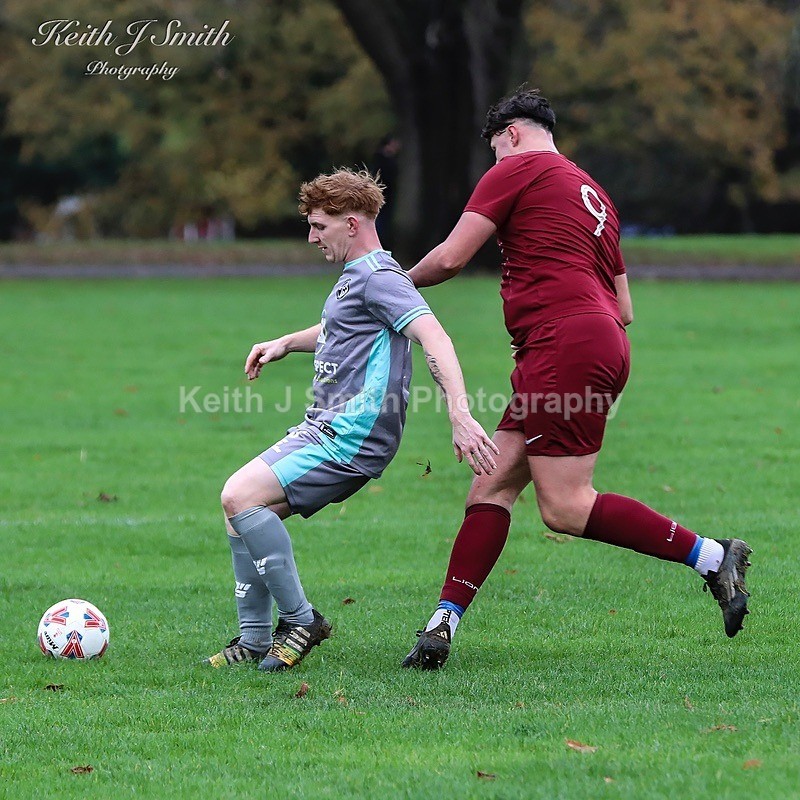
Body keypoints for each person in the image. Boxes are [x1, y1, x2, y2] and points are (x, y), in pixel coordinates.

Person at [401, 89, 752, 670]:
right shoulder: (595, 195)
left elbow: (451, 258)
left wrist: (392, 288)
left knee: (564, 506)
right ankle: (442, 627)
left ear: (511, 134)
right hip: (597, 341)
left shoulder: (516, 168)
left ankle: (712, 557)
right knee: (490, 486)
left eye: (494, 150)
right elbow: (626, 307)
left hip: (562, 346)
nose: (494, 162)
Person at [203, 168, 498, 671]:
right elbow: (340, 329)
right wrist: (285, 343)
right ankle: (253, 640)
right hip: (327, 426)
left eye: (320, 226)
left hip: (349, 435)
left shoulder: (380, 278)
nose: (312, 237)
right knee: (242, 515)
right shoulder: (358, 278)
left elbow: (435, 337)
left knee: (238, 495)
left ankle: (301, 621)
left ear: (353, 224)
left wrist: (460, 413)